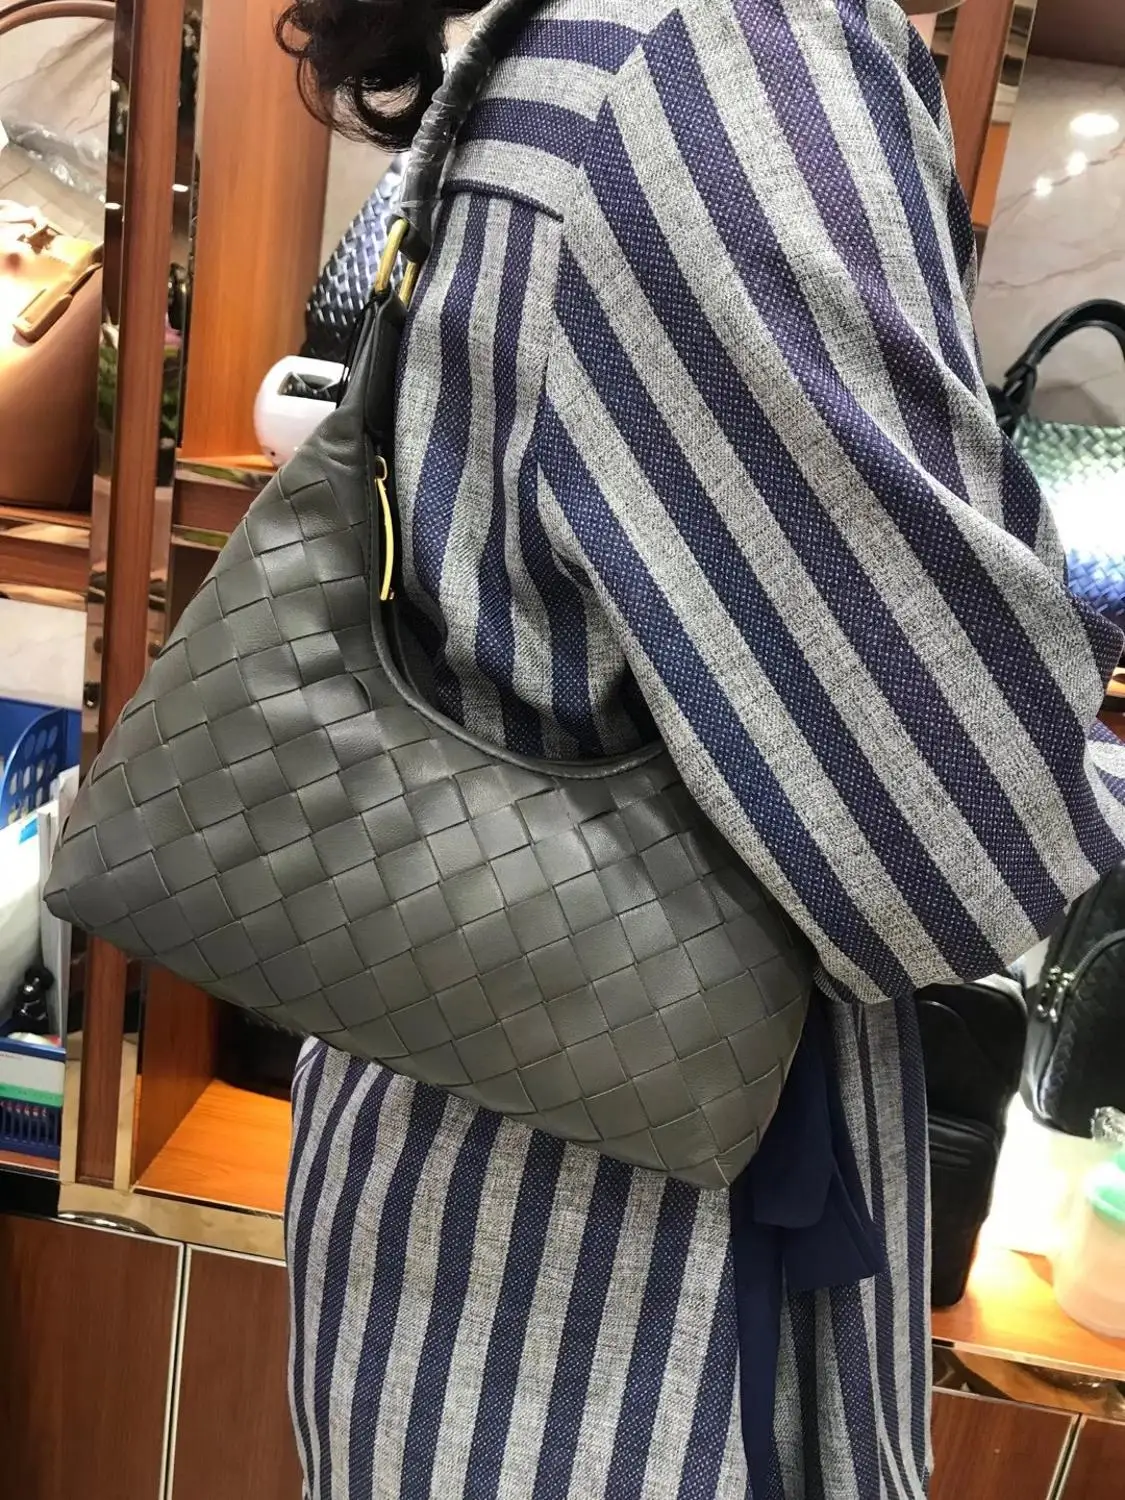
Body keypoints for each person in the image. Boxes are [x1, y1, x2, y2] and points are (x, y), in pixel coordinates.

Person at [277, 0, 1125, 1495]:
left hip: (457, 1154)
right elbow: (954, 826)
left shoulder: (579, 37)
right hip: (611, 1281)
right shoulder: (726, 59)